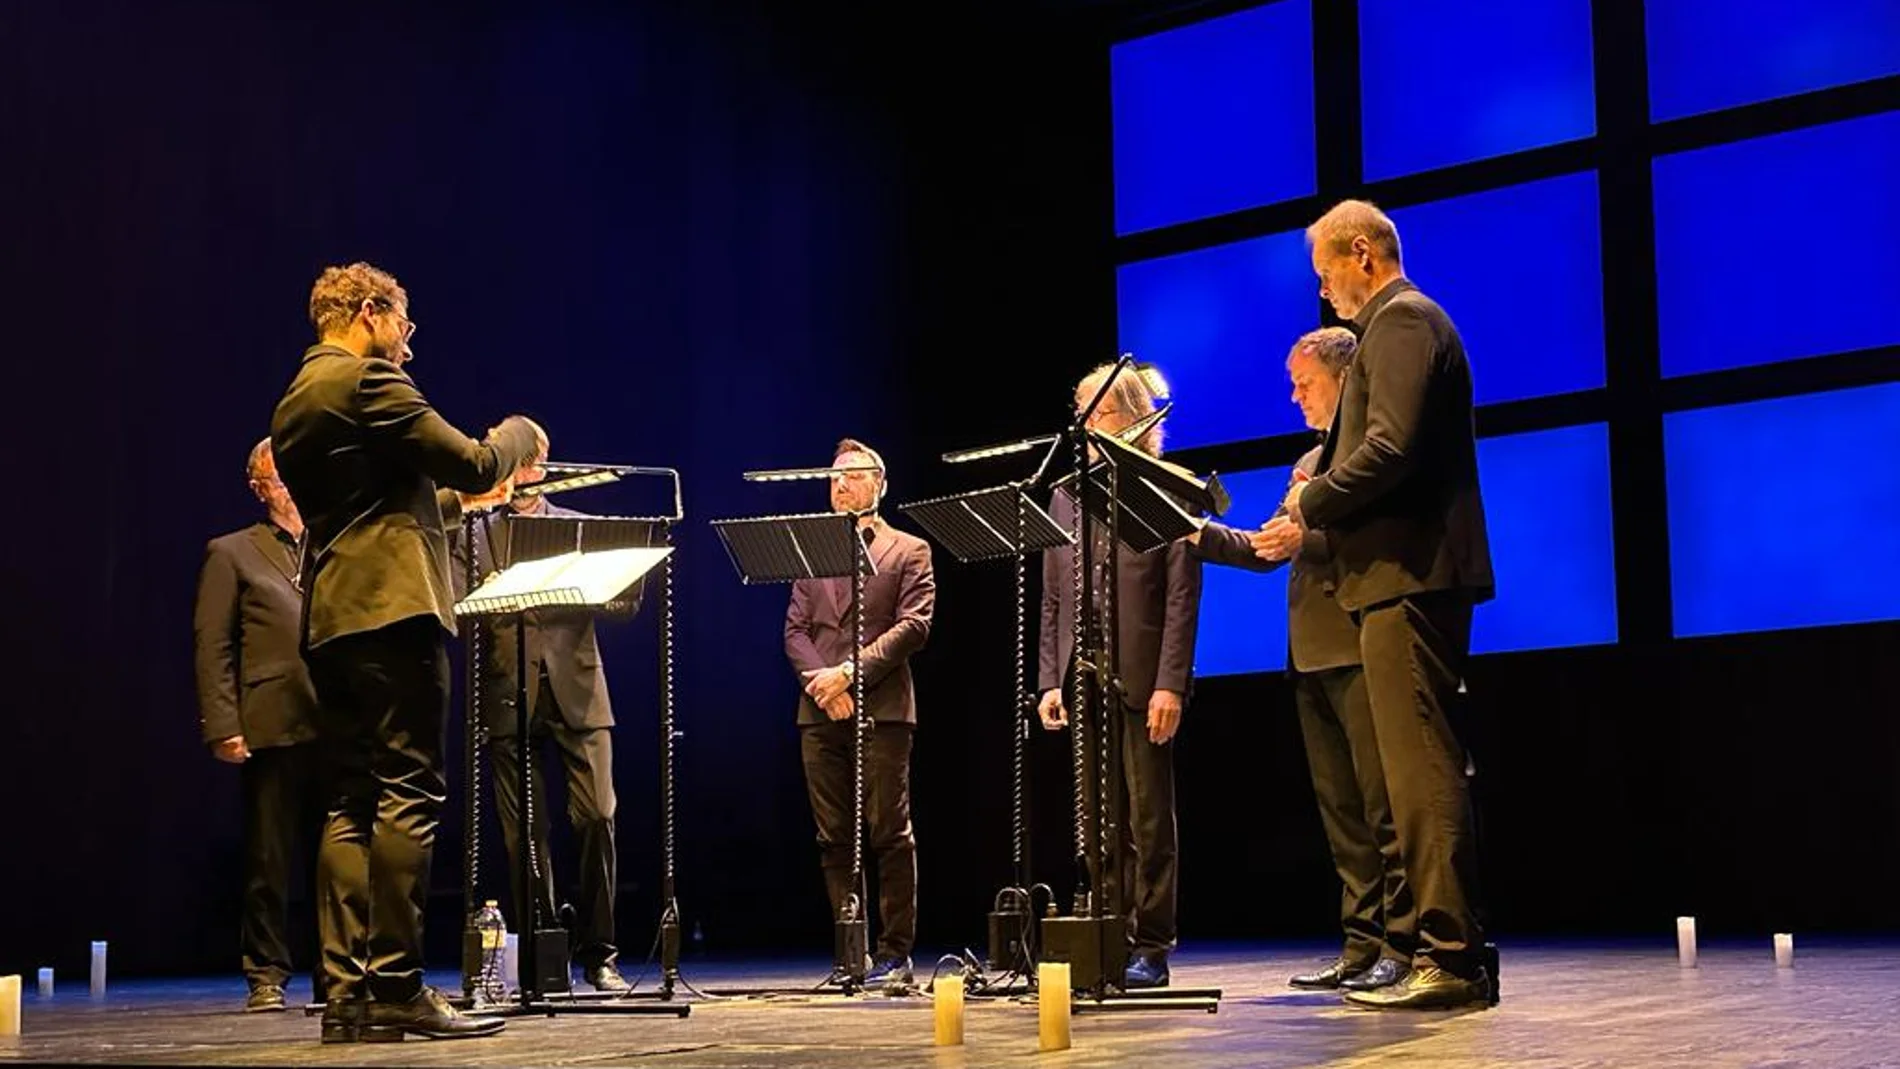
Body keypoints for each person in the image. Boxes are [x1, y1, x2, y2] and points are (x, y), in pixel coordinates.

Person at [270, 261, 539, 1042]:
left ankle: (350, 993)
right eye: (403, 327)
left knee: (352, 800)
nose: (407, 347)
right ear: (368, 310)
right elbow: (477, 460)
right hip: (394, 614)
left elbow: (376, 506)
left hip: (333, 617)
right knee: (409, 793)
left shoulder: (294, 400)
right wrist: (519, 433)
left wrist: (459, 500)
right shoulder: (368, 383)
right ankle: (397, 983)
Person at [1282, 201, 1495, 1010]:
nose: (1324, 291)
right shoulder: (1395, 328)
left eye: (1327, 272)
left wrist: (1315, 500)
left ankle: (1452, 956)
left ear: (1363, 254)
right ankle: (1443, 952)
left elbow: (1391, 447)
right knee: (1410, 778)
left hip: (1409, 577)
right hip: (1392, 582)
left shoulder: (1402, 322)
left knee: (1421, 773)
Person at [1191, 328, 1414, 993]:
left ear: (1344, 379)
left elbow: (1368, 536)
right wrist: (1189, 531)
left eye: (1303, 382)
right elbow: (1273, 544)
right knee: (1341, 811)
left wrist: (1304, 529)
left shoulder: (1366, 455)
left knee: (1383, 806)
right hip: (1311, 654)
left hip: (1357, 644)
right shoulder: (1310, 460)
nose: (1294, 395)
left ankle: (1401, 943)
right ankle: (1361, 940)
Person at [1037, 363, 1203, 989]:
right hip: (1084, 677)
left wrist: (1171, 683)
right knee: (1096, 817)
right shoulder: (1066, 493)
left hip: (1142, 674)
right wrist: (1050, 679)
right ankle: (1110, 928)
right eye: (1079, 412)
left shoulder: (1168, 488)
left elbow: (1182, 597)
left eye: (1094, 413)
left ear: (1129, 417)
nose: (1082, 425)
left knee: (1149, 817)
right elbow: (1055, 596)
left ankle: (1153, 942)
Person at [452, 423, 631, 991]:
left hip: (578, 689)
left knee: (598, 815)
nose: (524, 472)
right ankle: (543, 951)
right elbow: (456, 604)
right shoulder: (476, 529)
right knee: (523, 832)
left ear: (544, 463)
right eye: (516, 462)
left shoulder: (573, 525)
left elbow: (625, 598)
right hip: (508, 690)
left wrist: (589, 583)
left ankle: (600, 953)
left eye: (532, 462)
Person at [784, 439, 935, 989]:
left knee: (889, 830)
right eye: (834, 477)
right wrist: (823, 686)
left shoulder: (908, 549)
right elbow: (795, 631)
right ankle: (852, 948)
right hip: (819, 709)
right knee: (832, 836)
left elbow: (913, 627)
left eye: (852, 476)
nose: (839, 484)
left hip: (884, 707)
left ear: (880, 484)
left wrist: (848, 674)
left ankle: (895, 950)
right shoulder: (812, 550)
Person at [192, 438, 325, 1013]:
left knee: (338, 858)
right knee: (270, 859)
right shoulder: (232, 552)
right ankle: (266, 972)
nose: (290, 487)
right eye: (278, 479)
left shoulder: (333, 542)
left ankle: (338, 970)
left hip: (334, 719)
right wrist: (223, 723)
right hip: (269, 721)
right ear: (259, 489)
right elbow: (212, 644)